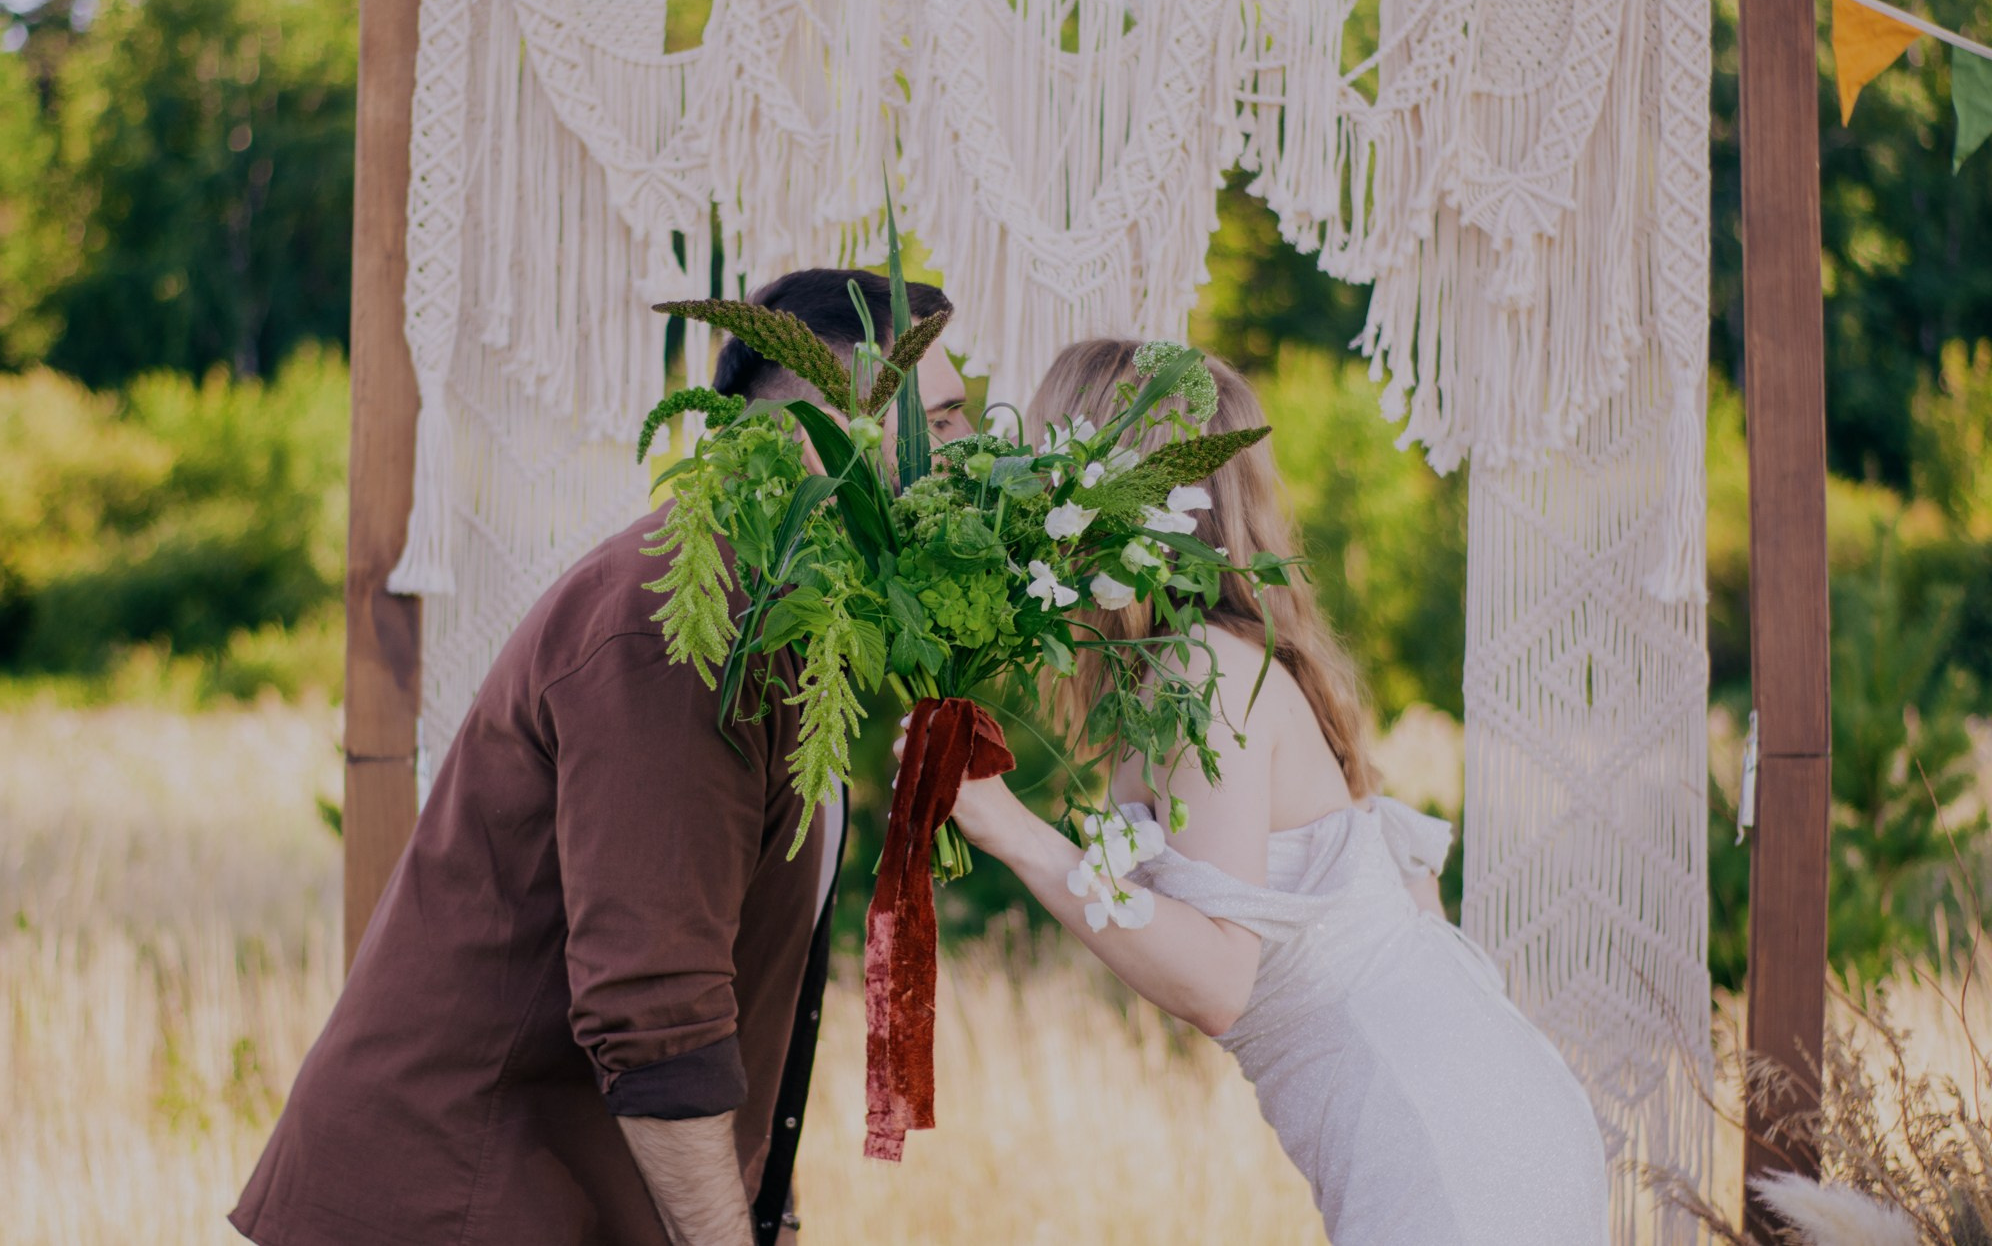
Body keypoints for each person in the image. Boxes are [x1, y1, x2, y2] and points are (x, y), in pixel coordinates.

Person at [232, 269, 962, 1246]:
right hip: (454, 1206)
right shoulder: (678, 624)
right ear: (813, 436)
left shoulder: (789, 619)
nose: (968, 456)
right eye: (942, 424)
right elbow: (654, 1007)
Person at [907, 339, 1610, 1245]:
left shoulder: (1202, 669)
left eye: (1048, 463)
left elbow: (1218, 981)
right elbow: (1405, 901)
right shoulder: (1221, 662)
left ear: (1109, 487)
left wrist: (1017, 833)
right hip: (1486, 1103)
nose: (1030, 499)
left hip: (1445, 1141)